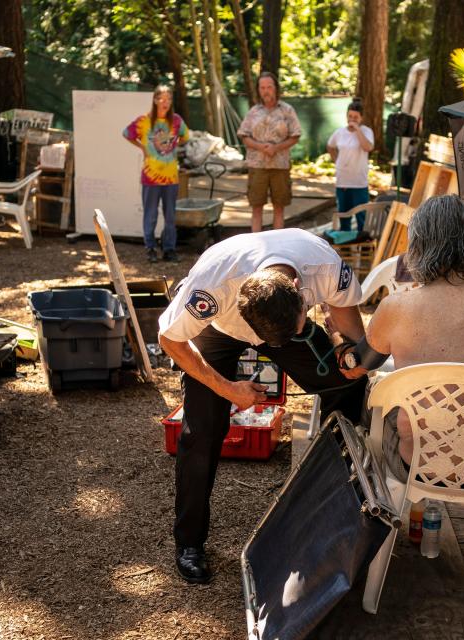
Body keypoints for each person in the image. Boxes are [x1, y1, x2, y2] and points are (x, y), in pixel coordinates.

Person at [339, 194, 464, 563]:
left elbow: (356, 366)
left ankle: (379, 528)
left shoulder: (396, 308)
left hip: (421, 464)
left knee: (379, 419)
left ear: (416, 248)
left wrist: (342, 346)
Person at [157, 228, 368, 584]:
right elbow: (170, 339)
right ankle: (189, 542)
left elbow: (352, 331)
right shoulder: (213, 286)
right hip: (221, 329)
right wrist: (227, 389)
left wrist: (350, 354)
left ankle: (335, 503)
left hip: (287, 322)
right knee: (202, 428)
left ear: (303, 295)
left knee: (347, 382)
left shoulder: (326, 268)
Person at [122, 84, 189, 263]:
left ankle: (169, 249)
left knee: (170, 216)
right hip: (150, 178)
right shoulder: (144, 121)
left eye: (168, 99)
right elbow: (126, 133)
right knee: (150, 215)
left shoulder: (176, 121)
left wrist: (174, 144)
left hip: (171, 178)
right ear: (155, 100)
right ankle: (150, 247)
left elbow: (186, 136)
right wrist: (142, 146)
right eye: (162, 98)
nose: (165, 102)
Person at [237, 72, 302, 232]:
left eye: (269, 87)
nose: (266, 91)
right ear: (259, 90)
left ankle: (277, 246)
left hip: (280, 165)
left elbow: (295, 135)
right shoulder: (253, 111)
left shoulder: (287, 110)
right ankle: (256, 246)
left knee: (279, 207)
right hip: (257, 165)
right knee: (256, 206)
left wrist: (276, 148)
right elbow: (244, 135)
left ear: (276, 89)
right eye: (262, 87)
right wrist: (260, 147)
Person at [326, 98, 374, 233]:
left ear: (361, 118)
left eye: (356, 117)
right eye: (350, 116)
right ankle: (345, 252)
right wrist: (336, 161)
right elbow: (330, 146)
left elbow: (367, 147)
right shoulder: (339, 132)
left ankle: (364, 251)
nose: (352, 119)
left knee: (362, 221)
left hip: (359, 183)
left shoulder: (366, 131)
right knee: (344, 219)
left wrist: (357, 130)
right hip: (343, 183)